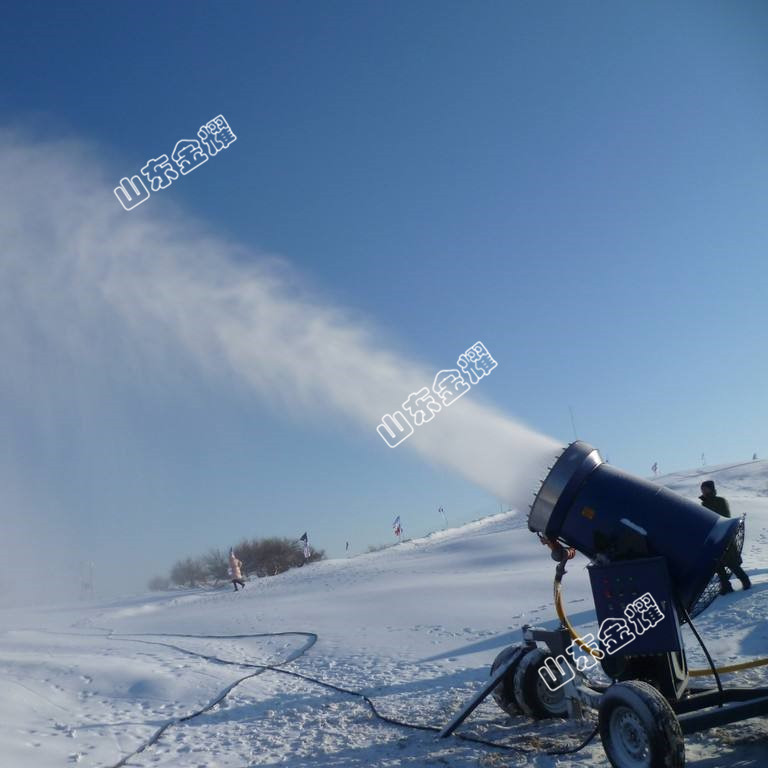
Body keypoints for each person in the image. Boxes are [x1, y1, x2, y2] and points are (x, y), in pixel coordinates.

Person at [699, 480, 751, 594]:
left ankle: (745, 580)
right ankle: (726, 586)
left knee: (730, 561)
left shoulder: (721, 501)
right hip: (712, 537)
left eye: (705, 488)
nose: (703, 491)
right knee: (717, 564)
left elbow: (725, 517)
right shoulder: (703, 504)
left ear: (711, 489)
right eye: (702, 489)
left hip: (724, 535)